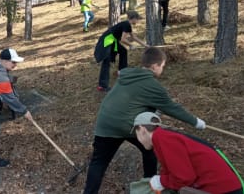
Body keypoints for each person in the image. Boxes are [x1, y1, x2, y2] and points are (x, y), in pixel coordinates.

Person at [83, 47, 207, 194]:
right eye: (162, 66)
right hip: (127, 126)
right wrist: (196, 122)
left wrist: (154, 110)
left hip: (105, 123)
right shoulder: (152, 85)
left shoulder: (127, 75)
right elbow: (172, 108)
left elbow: (135, 101)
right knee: (151, 148)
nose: (162, 69)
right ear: (155, 66)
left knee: (99, 162)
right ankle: (150, 185)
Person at [132, 112, 243, 194]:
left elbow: (184, 178)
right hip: (222, 187)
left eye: (136, 134)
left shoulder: (164, 139)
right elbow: (170, 170)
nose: (138, 139)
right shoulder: (163, 137)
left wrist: (161, 181)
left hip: (222, 189)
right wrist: (161, 179)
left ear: (142, 130)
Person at [94, 10, 148, 92]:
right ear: (133, 18)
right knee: (106, 61)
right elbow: (123, 39)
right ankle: (102, 86)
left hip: (112, 41)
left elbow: (134, 37)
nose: (138, 21)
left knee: (123, 51)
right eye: (138, 19)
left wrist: (145, 45)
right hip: (107, 41)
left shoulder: (127, 24)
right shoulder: (127, 25)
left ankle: (122, 72)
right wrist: (131, 45)